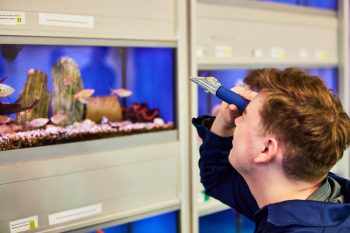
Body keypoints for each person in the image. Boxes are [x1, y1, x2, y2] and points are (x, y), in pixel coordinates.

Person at [192, 67, 350, 232]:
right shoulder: (308, 196)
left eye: (245, 116)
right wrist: (223, 123)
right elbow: (219, 180)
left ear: (266, 149)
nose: (236, 121)